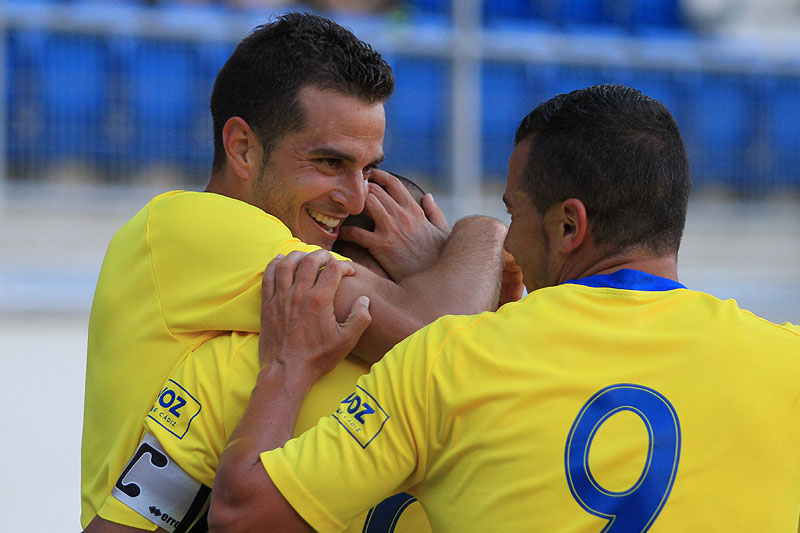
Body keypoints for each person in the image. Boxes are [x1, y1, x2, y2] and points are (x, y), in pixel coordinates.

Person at [207, 84, 800, 532]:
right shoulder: (788, 361)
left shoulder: (446, 358)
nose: (509, 243)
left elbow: (243, 514)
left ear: (569, 226)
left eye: (513, 213)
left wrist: (285, 368)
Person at [80, 12, 508, 532]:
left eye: (369, 170)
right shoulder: (187, 225)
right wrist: (486, 233)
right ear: (241, 147)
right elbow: (440, 346)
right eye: (329, 163)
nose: (355, 197)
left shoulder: (282, 353)